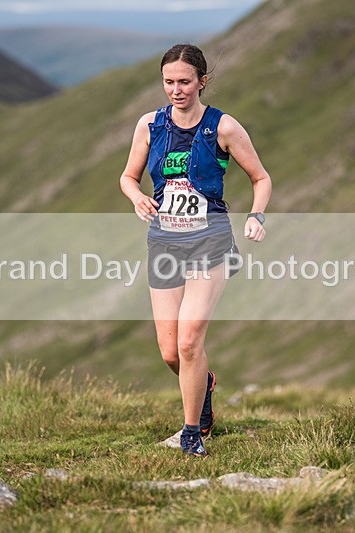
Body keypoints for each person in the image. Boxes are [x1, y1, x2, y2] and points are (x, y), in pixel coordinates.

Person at [119, 43, 272, 457]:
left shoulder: (223, 127)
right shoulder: (149, 125)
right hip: (165, 242)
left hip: (211, 242)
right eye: (169, 82)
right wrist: (136, 197)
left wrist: (256, 215)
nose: (176, 90)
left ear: (202, 81)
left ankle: (192, 434)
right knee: (172, 352)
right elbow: (128, 176)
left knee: (189, 343)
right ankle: (202, 384)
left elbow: (261, 178)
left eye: (185, 82)